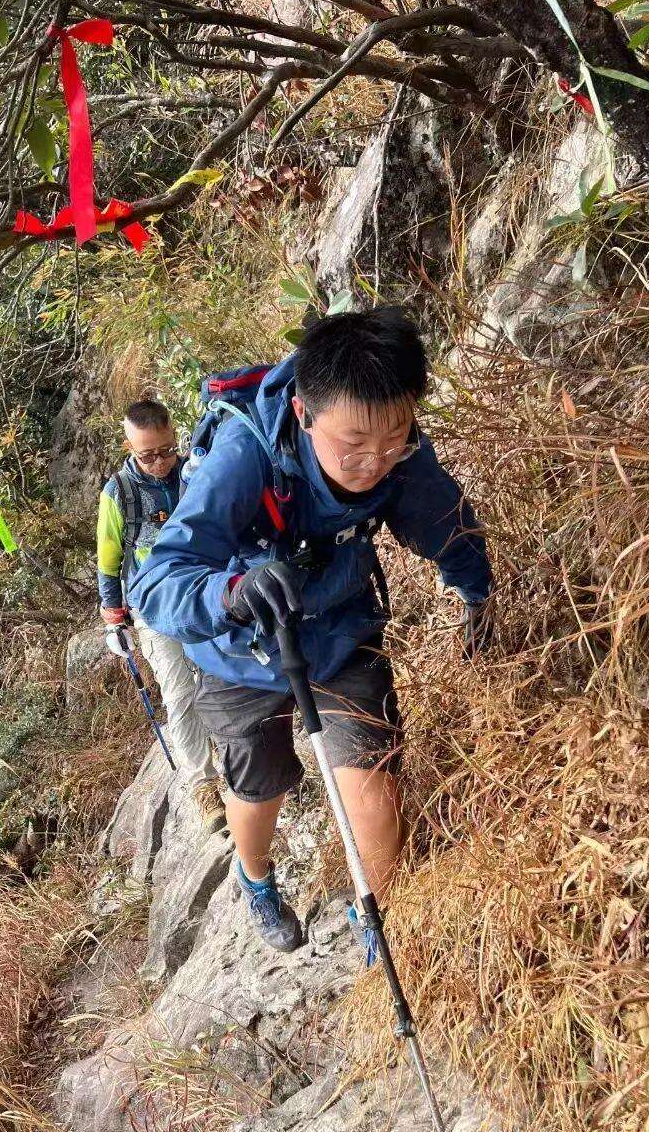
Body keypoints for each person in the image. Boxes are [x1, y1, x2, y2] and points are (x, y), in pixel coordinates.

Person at [128, 307, 492, 951]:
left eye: (394, 438)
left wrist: (476, 592)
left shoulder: (398, 453)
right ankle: (257, 877)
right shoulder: (245, 456)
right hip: (238, 648)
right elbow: (156, 584)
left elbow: (443, 520)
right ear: (303, 413)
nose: (374, 462)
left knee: (374, 782)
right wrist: (231, 592)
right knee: (259, 787)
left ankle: (374, 916)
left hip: (339, 629)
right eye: (352, 443)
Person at [96, 398, 226, 833]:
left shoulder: (194, 472)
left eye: (167, 450)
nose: (159, 462)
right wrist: (115, 618)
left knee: (220, 674)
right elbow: (109, 559)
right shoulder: (120, 493)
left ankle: (239, 753)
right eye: (146, 454)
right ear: (128, 445)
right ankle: (203, 784)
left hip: (201, 592)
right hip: (151, 607)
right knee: (178, 690)